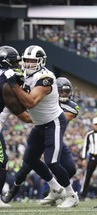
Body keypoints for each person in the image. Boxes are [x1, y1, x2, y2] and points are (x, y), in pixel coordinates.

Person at [4, 45, 78, 208]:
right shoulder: (22, 73)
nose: (29, 64)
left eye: (33, 61)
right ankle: (56, 189)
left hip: (54, 122)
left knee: (52, 161)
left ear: (41, 61)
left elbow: (30, 102)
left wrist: (14, 85)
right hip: (39, 124)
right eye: (27, 60)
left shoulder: (46, 77)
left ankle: (72, 195)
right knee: (30, 159)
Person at [0, 45, 33, 207]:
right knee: (2, 162)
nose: (17, 64)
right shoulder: (7, 79)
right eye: (14, 61)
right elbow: (24, 116)